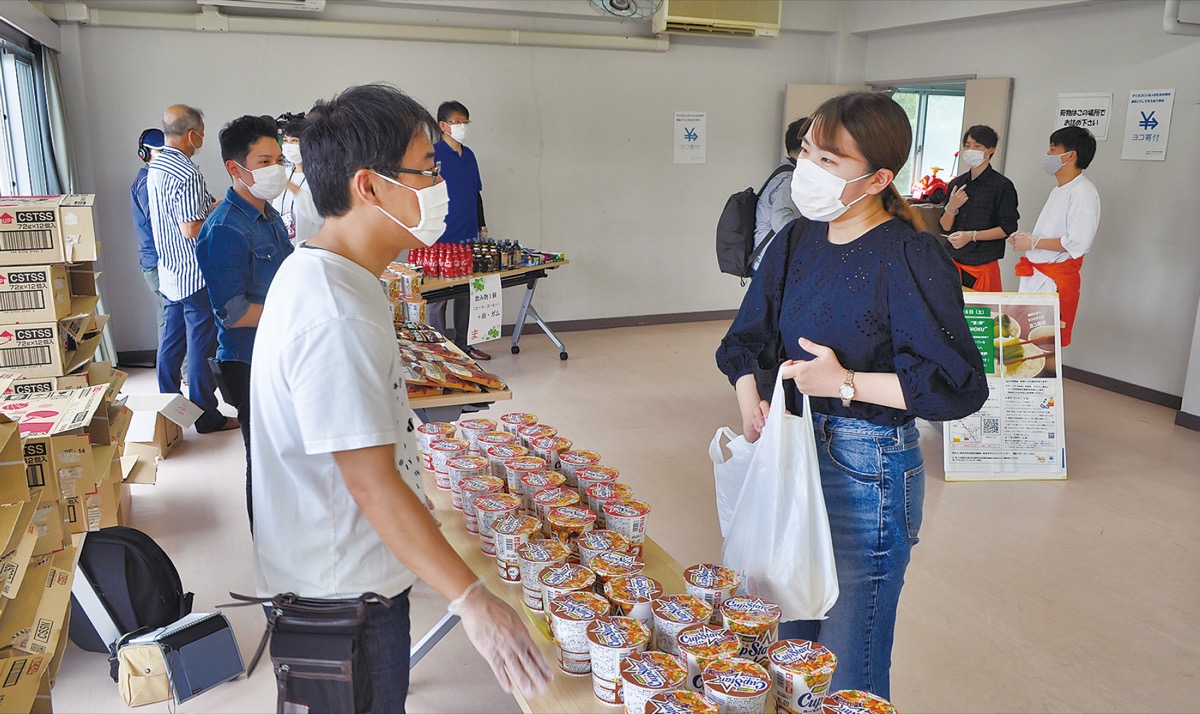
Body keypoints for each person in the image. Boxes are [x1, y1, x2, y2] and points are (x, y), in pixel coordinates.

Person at [250, 83, 551, 710]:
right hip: (345, 600)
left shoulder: (330, 271)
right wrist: (473, 600)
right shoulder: (334, 310)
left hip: (342, 579)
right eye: (428, 170)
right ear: (369, 185)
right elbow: (369, 483)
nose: (439, 184)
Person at [715, 92, 989, 699]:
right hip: (791, 450)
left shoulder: (911, 254)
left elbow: (958, 385)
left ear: (880, 177)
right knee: (789, 645)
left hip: (868, 469)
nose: (809, 170)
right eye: (807, 152)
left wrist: (844, 382)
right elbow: (744, 341)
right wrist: (751, 405)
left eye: (830, 161)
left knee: (847, 661)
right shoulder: (795, 241)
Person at [195, 115, 293, 530]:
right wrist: (295, 310)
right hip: (248, 361)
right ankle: (271, 559)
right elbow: (232, 314)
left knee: (288, 458)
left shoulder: (267, 216)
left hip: (278, 351)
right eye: (265, 160)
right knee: (266, 464)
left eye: (279, 159)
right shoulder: (224, 229)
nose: (276, 169)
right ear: (236, 168)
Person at [147, 104, 237, 434]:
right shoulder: (186, 172)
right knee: (201, 347)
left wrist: (217, 203)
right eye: (201, 131)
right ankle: (206, 416)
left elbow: (176, 216)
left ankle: (169, 407)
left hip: (169, 271)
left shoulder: (157, 165)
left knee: (171, 344)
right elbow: (191, 228)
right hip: (194, 274)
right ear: (191, 134)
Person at [1009, 125, 1099, 347]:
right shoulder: (1060, 190)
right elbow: (1054, 233)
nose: (1047, 155)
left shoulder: (1083, 192)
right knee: (1027, 341)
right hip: (1038, 276)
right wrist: (1028, 240)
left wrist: (1034, 242)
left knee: (1043, 345)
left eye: (1052, 149)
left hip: (1053, 281)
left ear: (1070, 155)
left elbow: (1077, 242)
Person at [429, 99, 490, 360]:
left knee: (466, 292)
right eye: (457, 122)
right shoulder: (432, 155)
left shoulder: (470, 155)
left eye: (465, 122)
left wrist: (482, 225)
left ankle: (464, 345)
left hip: (468, 235)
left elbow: (475, 194)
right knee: (438, 296)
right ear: (443, 125)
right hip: (439, 237)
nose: (462, 127)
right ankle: (441, 350)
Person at [939, 125, 1020, 291]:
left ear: (990, 150)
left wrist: (972, 236)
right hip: (952, 264)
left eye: (977, 146)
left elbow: (1008, 228)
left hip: (982, 267)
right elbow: (945, 227)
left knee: (981, 315)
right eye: (967, 146)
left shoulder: (1002, 186)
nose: (970, 150)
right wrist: (951, 208)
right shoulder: (957, 183)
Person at [751, 116, 807, 272]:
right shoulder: (788, 179)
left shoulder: (784, 172)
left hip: (769, 261)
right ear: (805, 148)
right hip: (771, 264)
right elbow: (780, 221)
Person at [132, 128, 170, 343]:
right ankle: (181, 375)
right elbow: (159, 221)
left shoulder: (158, 179)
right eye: (159, 153)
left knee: (169, 317)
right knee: (171, 320)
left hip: (160, 262)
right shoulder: (147, 183)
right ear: (144, 154)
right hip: (158, 263)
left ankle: (176, 373)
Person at [273, 112, 323, 247]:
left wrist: (295, 189)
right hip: (283, 246)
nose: (288, 146)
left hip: (308, 247)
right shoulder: (285, 173)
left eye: (294, 141)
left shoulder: (318, 176)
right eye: (286, 140)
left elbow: (320, 217)